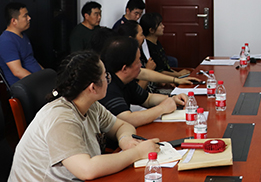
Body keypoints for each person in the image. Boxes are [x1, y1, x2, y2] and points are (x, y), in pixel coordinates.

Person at [8, 51, 159, 182]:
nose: (108, 79)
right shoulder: (61, 118)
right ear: (92, 87)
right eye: (105, 76)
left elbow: (122, 125)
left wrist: (125, 139)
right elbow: (87, 169)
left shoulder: (90, 105)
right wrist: (137, 152)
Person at [99, 35, 188, 127]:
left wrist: (173, 99)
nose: (141, 65)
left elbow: (148, 99)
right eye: (138, 62)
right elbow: (127, 119)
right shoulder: (108, 86)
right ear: (124, 69)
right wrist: (162, 108)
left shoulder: (126, 80)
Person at [0, 2, 42, 86]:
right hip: (26, 87)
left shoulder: (22, 36)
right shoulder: (6, 41)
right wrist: (41, 83)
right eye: (25, 16)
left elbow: (31, 60)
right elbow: (17, 71)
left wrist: (47, 76)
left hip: (37, 82)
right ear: (14, 21)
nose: (29, 18)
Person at [140, 12, 189, 78]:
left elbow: (165, 67)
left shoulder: (156, 42)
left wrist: (178, 73)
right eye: (160, 25)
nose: (163, 26)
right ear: (151, 30)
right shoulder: (148, 48)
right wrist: (178, 75)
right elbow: (157, 72)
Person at [117, 20, 155, 89]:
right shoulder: (126, 60)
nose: (144, 37)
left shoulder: (140, 51)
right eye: (141, 34)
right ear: (131, 39)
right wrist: (149, 69)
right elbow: (137, 91)